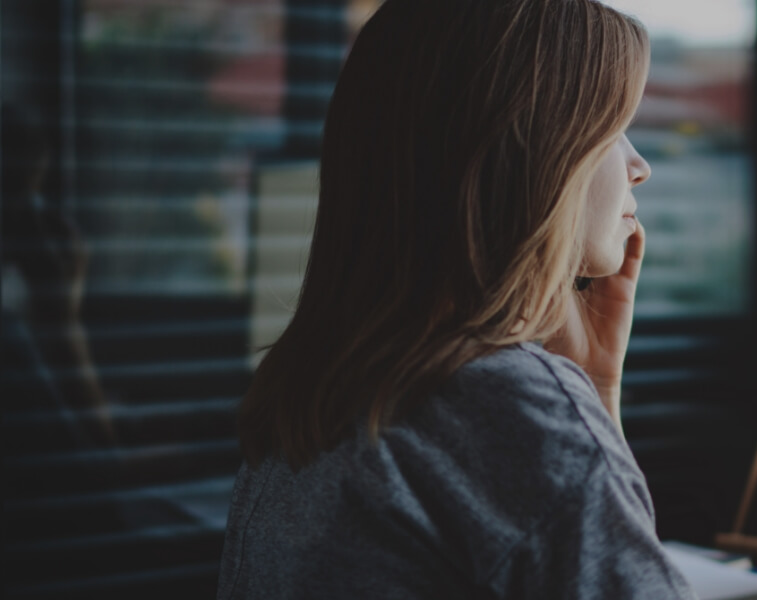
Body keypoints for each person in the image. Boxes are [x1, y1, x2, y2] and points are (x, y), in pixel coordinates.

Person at [217, 1, 693, 598]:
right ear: (532, 147)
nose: (639, 166)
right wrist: (579, 407)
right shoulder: (505, 406)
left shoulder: (323, 390)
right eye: (612, 126)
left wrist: (592, 392)